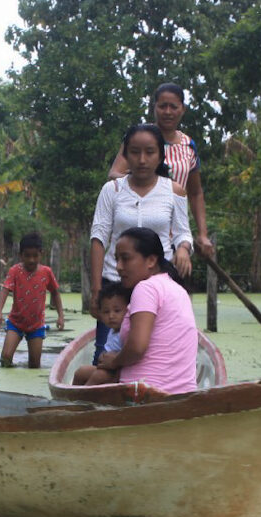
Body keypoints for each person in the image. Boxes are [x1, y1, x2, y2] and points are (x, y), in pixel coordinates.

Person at [90, 123, 193, 362]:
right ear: (126, 156)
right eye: (135, 152)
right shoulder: (112, 190)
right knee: (104, 354)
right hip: (116, 285)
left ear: (160, 156)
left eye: (150, 152)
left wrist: (184, 250)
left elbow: (182, 233)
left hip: (158, 286)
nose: (142, 159)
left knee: (155, 351)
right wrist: (96, 291)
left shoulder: (174, 191)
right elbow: (98, 239)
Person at [109, 82, 213, 257]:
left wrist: (202, 235)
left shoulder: (188, 146)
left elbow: (195, 193)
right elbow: (114, 174)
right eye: (162, 106)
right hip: (140, 230)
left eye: (173, 106)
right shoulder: (138, 138)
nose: (168, 112)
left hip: (176, 238)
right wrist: (143, 182)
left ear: (182, 109)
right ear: (154, 107)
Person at [96, 227, 198, 395]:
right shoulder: (178, 289)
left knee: (89, 375)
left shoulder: (146, 288)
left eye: (126, 259)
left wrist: (114, 361)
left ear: (151, 260)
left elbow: (136, 348)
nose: (119, 267)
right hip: (183, 393)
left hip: (143, 393)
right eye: (117, 260)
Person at [0, 232, 65, 368]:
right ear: (21, 255)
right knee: (5, 358)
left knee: (34, 364)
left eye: (35, 256)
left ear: (41, 254)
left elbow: (55, 292)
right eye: (27, 256)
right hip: (16, 322)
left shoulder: (46, 272)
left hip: (36, 324)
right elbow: (5, 290)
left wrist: (61, 316)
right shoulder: (15, 271)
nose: (31, 260)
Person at [72, 281, 130, 386]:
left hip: (120, 372)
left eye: (117, 311)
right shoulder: (112, 330)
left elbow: (129, 353)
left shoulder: (126, 331)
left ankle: (83, 396)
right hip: (107, 369)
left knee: (99, 375)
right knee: (81, 372)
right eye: (106, 312)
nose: (111, 316)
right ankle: (71, 397)